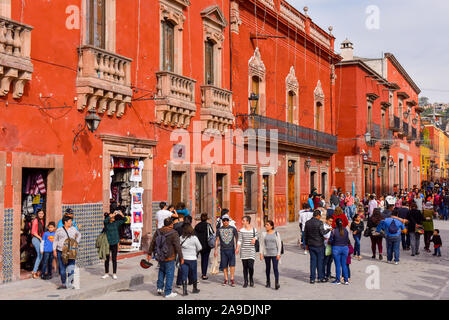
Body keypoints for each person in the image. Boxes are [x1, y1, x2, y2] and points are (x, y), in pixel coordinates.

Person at [148, 217, 183, 298]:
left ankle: (160, 288)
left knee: (161, 271)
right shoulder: (174, 233)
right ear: (171, 224)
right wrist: (181, 257)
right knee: (170, 274)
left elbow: (153, 242)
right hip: (170, 256)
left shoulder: (158, 231)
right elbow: (178, 247)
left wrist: (149, 253)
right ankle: (168, 292)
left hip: (160, 256)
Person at [53, 215, 81, 289]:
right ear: (65, 222)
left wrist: (76, 242)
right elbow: (55, 240)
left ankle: (70, 283)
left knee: (71, 267)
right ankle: (63, 284)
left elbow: (79, 235)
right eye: (70, 221)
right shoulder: (59, 230)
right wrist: (54, 250)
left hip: (71, 251)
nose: (71, 222)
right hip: (61, 251)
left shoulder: (73, 229)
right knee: (62, 268)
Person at [304, 209, 331, 284]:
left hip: (311, 244)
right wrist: (329, 230)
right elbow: (322, 232)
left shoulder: (307, 223)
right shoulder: (320, 223)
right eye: (320, 216)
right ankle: (320, 277)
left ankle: (312, 279)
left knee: (313, 262)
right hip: (319, 244)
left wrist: (306, 245)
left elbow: (305, 235)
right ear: (318, 215)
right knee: (320, 261)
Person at [214, 214, 238, 287]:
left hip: (231, 249)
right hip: (223, 250)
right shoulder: (219, 230)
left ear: (229, 221)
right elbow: (217, 240)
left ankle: (232, 279)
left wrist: (237, 247)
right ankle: (226, 279)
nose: (225, 222)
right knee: (224, 265)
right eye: (224, 220)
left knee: (232, 265)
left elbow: (237, 238)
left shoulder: (233, 229)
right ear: (222, 221)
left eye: (227, 220)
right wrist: (215, 250)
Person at [102, 210, 126, 280]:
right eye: (112, 217)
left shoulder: (116, 223)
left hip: (115, 243)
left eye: (114, 217)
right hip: (107, 243)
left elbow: (125, 220)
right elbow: (105, 221)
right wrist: (110, 215)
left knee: (114, 259)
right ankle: (106, 273)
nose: (114, 218)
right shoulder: (107, 224)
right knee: (106, 259)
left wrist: (122, 214)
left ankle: (114, 273)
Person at [180, 224, 202, 296]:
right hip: (192, 258)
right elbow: (200, 247)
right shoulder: (194, 238)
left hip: (184, 259)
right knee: (194, 273)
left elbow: (178, 248)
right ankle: (194, 288)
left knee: (184, 274)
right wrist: (195, 251)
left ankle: (184, 291)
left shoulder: (181, 238)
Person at [236, 216, 258, 288]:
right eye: (242, 220)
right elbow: (239, 240)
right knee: (245, 267)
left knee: (251, 266)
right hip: (244, 250)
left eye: (243, 221)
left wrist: (254, 238)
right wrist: (237, 248)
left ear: (248, 222)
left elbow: (257, 236)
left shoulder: (254, 230)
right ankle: (245, 281)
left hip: (251, 250)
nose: (242, 222)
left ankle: (251, 278)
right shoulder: (241, 230)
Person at [259, 220, 282, 289]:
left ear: (271, 226)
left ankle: (276, 282)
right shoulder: (263, 234)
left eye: (267, 225)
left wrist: (278, 254)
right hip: (267, 254)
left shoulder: (276, 233)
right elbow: (261, 244)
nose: (266, 226)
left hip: (275, 253)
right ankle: (268, 282)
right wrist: (261, 253)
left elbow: (279, 244)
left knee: (275, 268)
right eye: (265, 225)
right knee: (268, 268)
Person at [329, 218, 350, 285]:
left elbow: (331, 240)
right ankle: (346, 280)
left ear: (336, 223)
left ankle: (338, 280)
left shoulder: (334, 230)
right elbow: (347, 240)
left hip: (336, 248)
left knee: (337, 265)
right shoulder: (345, 230)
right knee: (344, 265)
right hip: (345, 248)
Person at [194, 213, 213, 280]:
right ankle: (204, 274)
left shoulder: (197, 226)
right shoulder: (208, 225)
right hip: (207, 245)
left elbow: (194, 235)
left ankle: (193, 274)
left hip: (198, 245)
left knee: (194, 259)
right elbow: (212, 234)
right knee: (205, 259)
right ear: (207, 218)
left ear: (200, 218)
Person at [31, 209, 45, 279]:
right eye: (39, 213)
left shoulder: (41, 221)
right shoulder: (35, 221)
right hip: (35, 239)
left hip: (39, 239)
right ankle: (34, 271)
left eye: (42, 213)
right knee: (40, 255)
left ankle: (38, 270)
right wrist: (40, 238)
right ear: (37, 214)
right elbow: (33, 232)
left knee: (41, 255)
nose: (41, 215)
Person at [323, 215, 334, 281]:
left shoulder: (331, 226)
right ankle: (323, 274)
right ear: (326, 220)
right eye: (330, 221)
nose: (331, 222)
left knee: (330, 260)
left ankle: (328, 273)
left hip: (330, 245)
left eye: (332, 221)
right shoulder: (323, 226)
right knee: (325, 261)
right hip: (325, 245)